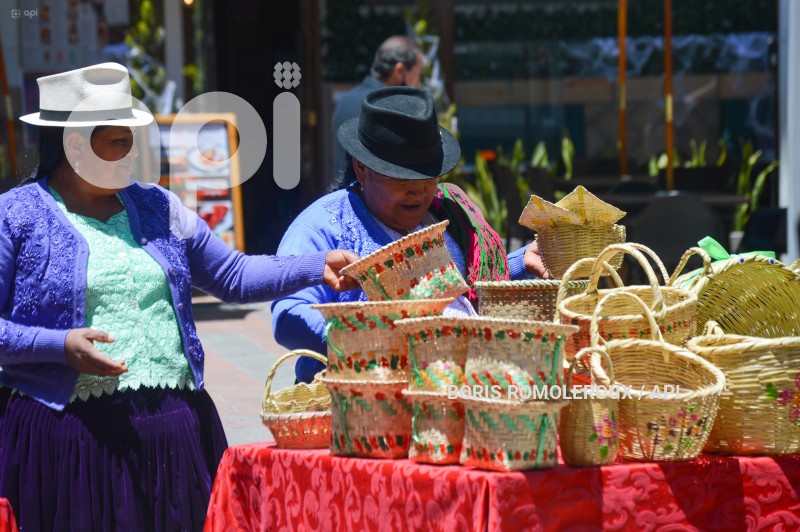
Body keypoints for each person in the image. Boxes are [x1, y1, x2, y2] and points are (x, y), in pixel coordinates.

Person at [0, 63, 358, 530]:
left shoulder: (158, 207)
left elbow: (233, 275)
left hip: (174, 433)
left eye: (133, 140)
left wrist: (315, 266)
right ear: (74, 145)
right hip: (72, 440)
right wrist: (58, 346)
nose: (132, 155)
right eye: (119, 142)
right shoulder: (16, 217)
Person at [273, 86, 549, 384]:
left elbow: (465, 288)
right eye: (402, 177)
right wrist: (366, 342)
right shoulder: (321, 226)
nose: (418, 190)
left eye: (428, 175)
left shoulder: (445, 212)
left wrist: (521, 262)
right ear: (362, 169)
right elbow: (288, 315)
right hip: (361, 405)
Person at [331, 35, 423, 178]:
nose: (418, 84)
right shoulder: (392, 110)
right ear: (400, 71)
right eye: (418, 75)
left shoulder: (345, 101)